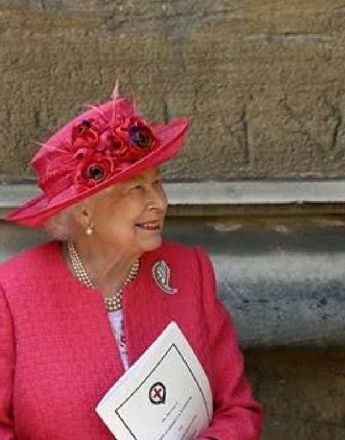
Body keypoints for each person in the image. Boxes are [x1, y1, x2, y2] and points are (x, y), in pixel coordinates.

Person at [0, 85, 263, 438]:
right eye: (136, 188)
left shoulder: (189, 273)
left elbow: (237, 409)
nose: (159, 202)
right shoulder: (13, 293)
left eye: (158, 183)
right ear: (83, 210)